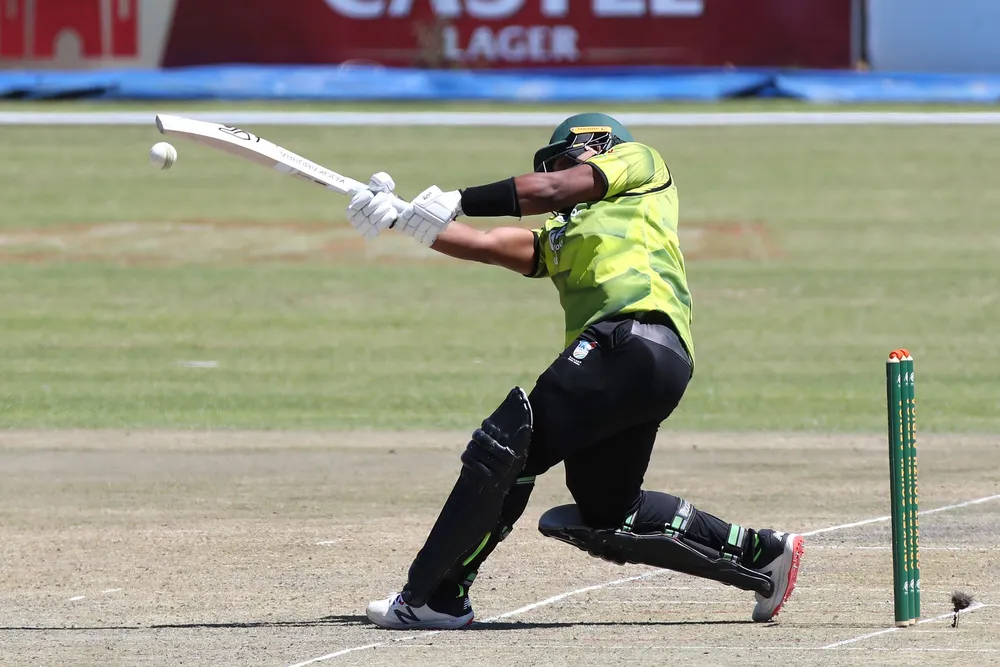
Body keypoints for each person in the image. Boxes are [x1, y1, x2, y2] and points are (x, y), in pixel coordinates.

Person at [344, 113, 804, 630]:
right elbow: (493, 245)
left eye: (562, 158)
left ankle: (435, 596)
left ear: (594, 145)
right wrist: (405, 219)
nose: (556, 174)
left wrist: (460, 196)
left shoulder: (641, 164)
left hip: (627, 338)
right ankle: (763, 556)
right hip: (649, 367)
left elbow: (555, 186)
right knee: (608, 508)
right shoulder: (566, 233)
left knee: (508, 447)